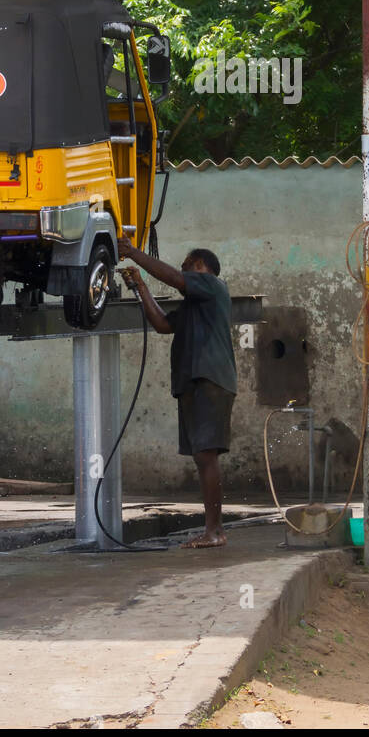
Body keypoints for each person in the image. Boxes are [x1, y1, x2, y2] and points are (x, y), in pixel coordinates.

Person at [117, 235, 236, 548]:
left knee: (206, 455)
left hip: (209, 379)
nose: (183, 274)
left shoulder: (214, 287)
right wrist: (139, 286)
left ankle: (216, 532)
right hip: (193, 381)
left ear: (199, 267)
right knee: (202, 456)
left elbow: (173, 277)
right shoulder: (194, 306)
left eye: (187, 268)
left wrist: (132, 253)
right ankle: (214, 530)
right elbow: (161, 324)